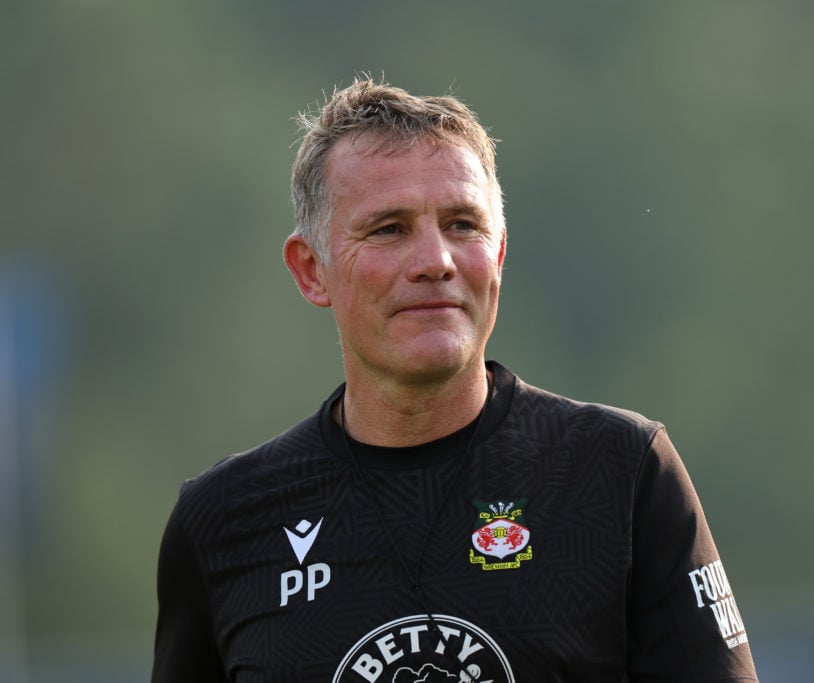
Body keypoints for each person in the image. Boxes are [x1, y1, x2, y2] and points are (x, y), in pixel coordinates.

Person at [153, 78, 759, 683]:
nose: (435, 261)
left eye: (463, 224)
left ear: (497, 255)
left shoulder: (620, 472)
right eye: (388, 228)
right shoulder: (223, 521)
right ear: (312, 271)